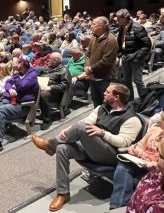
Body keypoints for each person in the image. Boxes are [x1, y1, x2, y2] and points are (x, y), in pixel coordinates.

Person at [31, 83, 141, 212]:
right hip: (91, 148)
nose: (104, 93)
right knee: (62, 149)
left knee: (82, 128)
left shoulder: (132, 119)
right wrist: (67, 131)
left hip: (111, 155)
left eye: (108, 92)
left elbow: (123, 142)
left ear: (117, 97)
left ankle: (51, 145)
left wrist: (103, 133)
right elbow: (86, 121)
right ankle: (63, 193)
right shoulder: (102, 108)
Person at [0, 55, 38, 154]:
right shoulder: (19, 73)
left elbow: (22, 86)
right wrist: (10, 88)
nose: (14, 64)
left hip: (22, 106)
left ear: (22, 64)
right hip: (9, 101)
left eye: (17, 62)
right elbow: (7, 83)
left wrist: (15, 79)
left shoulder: (31, 75)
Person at [109, 111, 164, 210]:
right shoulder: (155, 130)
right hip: (141, 164)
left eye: (163, 120)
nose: (160, 121)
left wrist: (141, 154)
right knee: (123, 165)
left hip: (154, 171)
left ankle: (118, 207)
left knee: (126, 178)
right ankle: (117, 207)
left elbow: (159, 162)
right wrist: (135, 150)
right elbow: (139, 145)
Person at [77, 16, 118, 107]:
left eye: (93, 24)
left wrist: (90, 69)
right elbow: (88, 54)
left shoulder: (111, 40)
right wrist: (87, 67)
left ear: (101, 26)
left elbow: (106, 61)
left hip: (104, 77)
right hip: (93, 76)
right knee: (96, 104)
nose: (91, 26)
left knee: (106, 104)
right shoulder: (94, 38)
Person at [116, 9, 152, 99]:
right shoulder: (121, 28)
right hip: (126, 57)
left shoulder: (138, 28)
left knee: (137, 81)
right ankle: (130, 101)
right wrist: (120, 55)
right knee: (127, 81)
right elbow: (120, 44)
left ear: (125, 18)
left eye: (119, 18)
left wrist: (137, 57)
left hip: (136, 57)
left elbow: (146, 46)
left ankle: (145, 101)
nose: (117, 21)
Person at [126, 138, 164, 213]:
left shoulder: (159, 206)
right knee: (123, 167)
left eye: (160, 156)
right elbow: (139, 145)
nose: (156, 158)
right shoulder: (156, 171)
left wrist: (142, 154)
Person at [38, 52, 72, 130]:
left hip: (56, 93)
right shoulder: (48, 67)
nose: (48, 60)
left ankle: (47, 120)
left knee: (43, 95)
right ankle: (27, 114)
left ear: (56, 61)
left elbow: (65, 85)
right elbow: (41, 75)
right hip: (43, 87)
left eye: (50, 59)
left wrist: (50, 87)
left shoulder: (64, 71)